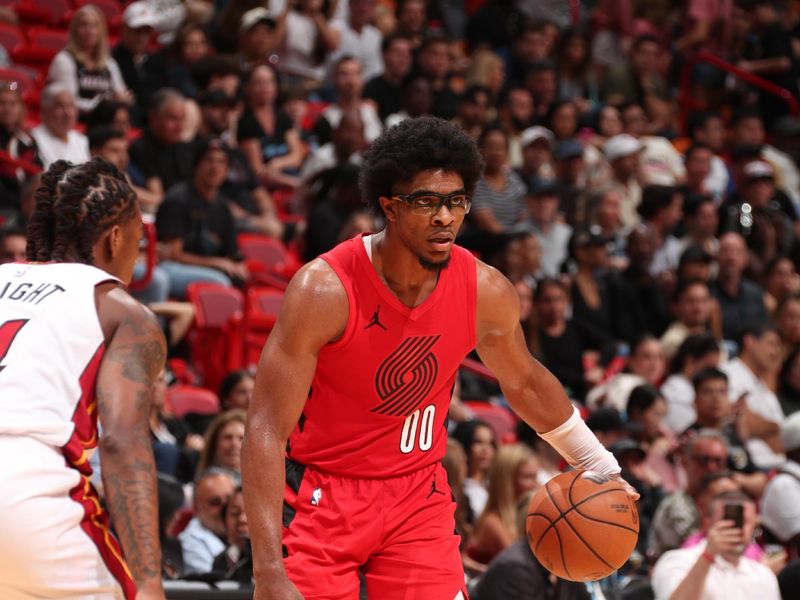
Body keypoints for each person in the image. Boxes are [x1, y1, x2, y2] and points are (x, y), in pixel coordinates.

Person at [242, 117, 634, 599]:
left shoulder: (484, 290)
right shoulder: (324, 290)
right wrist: (267, 570)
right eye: (427, 201)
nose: (445, 217)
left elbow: (526, 383)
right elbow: (263, 426)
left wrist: (600, 465)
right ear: (388, 205)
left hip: (416, 493)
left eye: (456, 201)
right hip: (321, 494)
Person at [0, 158, 165, 598]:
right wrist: (149, 583)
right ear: (115, 238)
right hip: (24, 491)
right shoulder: (122, 311)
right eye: (135, 239)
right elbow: (122, 443)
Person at [651, 491, 781, 600]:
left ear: (754, 526)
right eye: (727, 519)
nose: (737, 528)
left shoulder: (763, 574)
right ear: (707, 522)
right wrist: (708, 555)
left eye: (744, 521)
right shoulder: (677, 560)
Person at [47, 5, 130, 119]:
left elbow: (121, 94)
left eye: (94, 26)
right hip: (77, 121)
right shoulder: (64, 60)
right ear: (74, 30)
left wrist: (123, 99)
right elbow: (68, 102)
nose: (89, 30)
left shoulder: (109, 63)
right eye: (84, 25)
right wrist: (100, 105)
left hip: (106, 121)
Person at [179, 467, 237, 575]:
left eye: (230, 499)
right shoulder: (190, 544)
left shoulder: (245, 529)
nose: (225, 508)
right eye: (215, 502)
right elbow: (220, 588)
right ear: (196, 509)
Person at [31, 84, 90, 168]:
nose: (68, 113)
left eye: (71, 106)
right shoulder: (33, 140)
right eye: (60, 106)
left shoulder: (81, 140)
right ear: (44, 112)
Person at [197, 409, 246, 478]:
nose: (234, 444)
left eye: (241, 438)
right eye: (228, 437)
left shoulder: (261, 479)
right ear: (214, 444)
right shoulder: (207, 483)